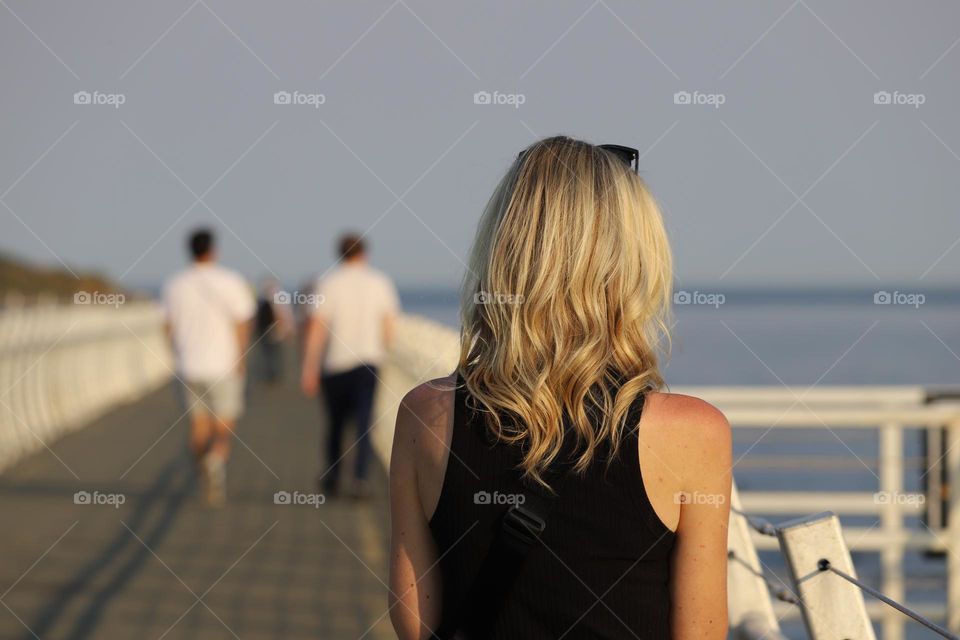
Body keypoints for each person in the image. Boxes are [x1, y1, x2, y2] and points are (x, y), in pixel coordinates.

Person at [388, 137, 732, 639]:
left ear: (504, 249)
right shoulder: (693, 433)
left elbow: (416, 624)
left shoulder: (426, 416)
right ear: (634, 260)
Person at [301, 234, 400, 499]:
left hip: (335, 365)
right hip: (369, 363)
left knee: (335, 423)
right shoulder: (380, 282)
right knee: (364, 423)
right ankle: (360, 480)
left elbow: (316, 328)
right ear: (364, 254)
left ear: (340, 254)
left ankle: (333, 475)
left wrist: (309, 368)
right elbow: (389, 326)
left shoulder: (327, 283)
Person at [163, 228, 254, 507]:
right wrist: (241, 357)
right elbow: (242, 322)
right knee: (224, 422)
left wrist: (176, 352)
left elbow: (167, 326)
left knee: (198, 424)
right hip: (223, 364)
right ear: (213, 250)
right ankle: (215, 461)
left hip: (188, 365)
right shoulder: (230, 281)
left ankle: (203, 462)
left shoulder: (175, 284)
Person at [253, 278, 294, 384]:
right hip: (268, 329)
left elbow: (281, 315)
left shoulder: (273, 298)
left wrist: (284, 329)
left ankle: (275, 374)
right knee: (272, 353)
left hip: (272, 329)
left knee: (273, 353)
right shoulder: (272, 298)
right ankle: (274, 374)